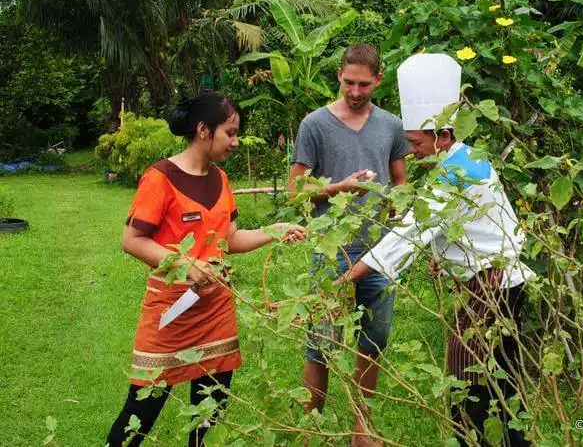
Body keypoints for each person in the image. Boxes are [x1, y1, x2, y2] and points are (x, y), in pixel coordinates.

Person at [333, 53, 534, 446]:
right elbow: (472, 225)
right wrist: (443, 256)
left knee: (466, 386)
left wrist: (343, 279)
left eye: (415, 142)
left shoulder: (454, 174)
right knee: (500, 384)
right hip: (503, 282)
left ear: (441, 136)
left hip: (489, 286)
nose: (412, 151)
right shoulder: (470, 158)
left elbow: (406, 236)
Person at [107, 92, 306, 446]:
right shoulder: (159, 178)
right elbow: (132, 240)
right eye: (230, 132)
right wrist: (185, 263)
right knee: (140, 412)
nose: (235, 141)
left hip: (215, 311)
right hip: (170, 312)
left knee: (210, 408)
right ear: (203, 130)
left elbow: (228, 237)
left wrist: (272, 231)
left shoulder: (220, 180)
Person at [287, 44, 410, 445]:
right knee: (321, 340)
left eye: (364, 84)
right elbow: (295, 192)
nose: (355, 92)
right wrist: (340, 187)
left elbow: (401, 182)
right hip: (331, 250)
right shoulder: (314, 125)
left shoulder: (391, 125)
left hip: (380, 250)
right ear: (339, 74)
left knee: (374, 339)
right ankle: (312, 424)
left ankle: (362, 429)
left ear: (377, 79)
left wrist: (398, 209)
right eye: (348, 82)